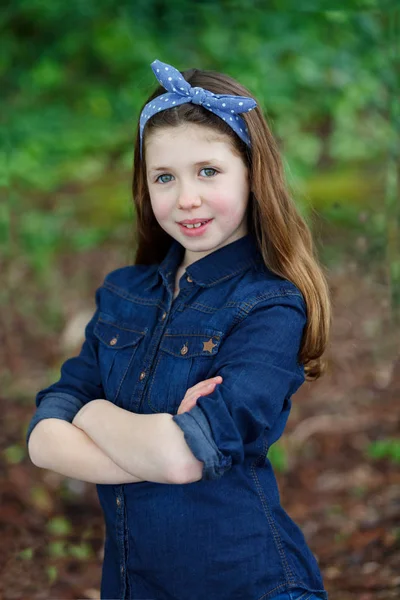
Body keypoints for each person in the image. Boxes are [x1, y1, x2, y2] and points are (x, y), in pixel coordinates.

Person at [26, 58, 332, 600]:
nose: (185, 197)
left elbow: (182, 456)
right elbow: (44, 440)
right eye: (164, 177)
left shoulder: (271, 306)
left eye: (208, 171)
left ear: (252, 174)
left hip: (247, 582)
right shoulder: (124, 292)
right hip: (132, 584)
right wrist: (153, 443)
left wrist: (91, 414)